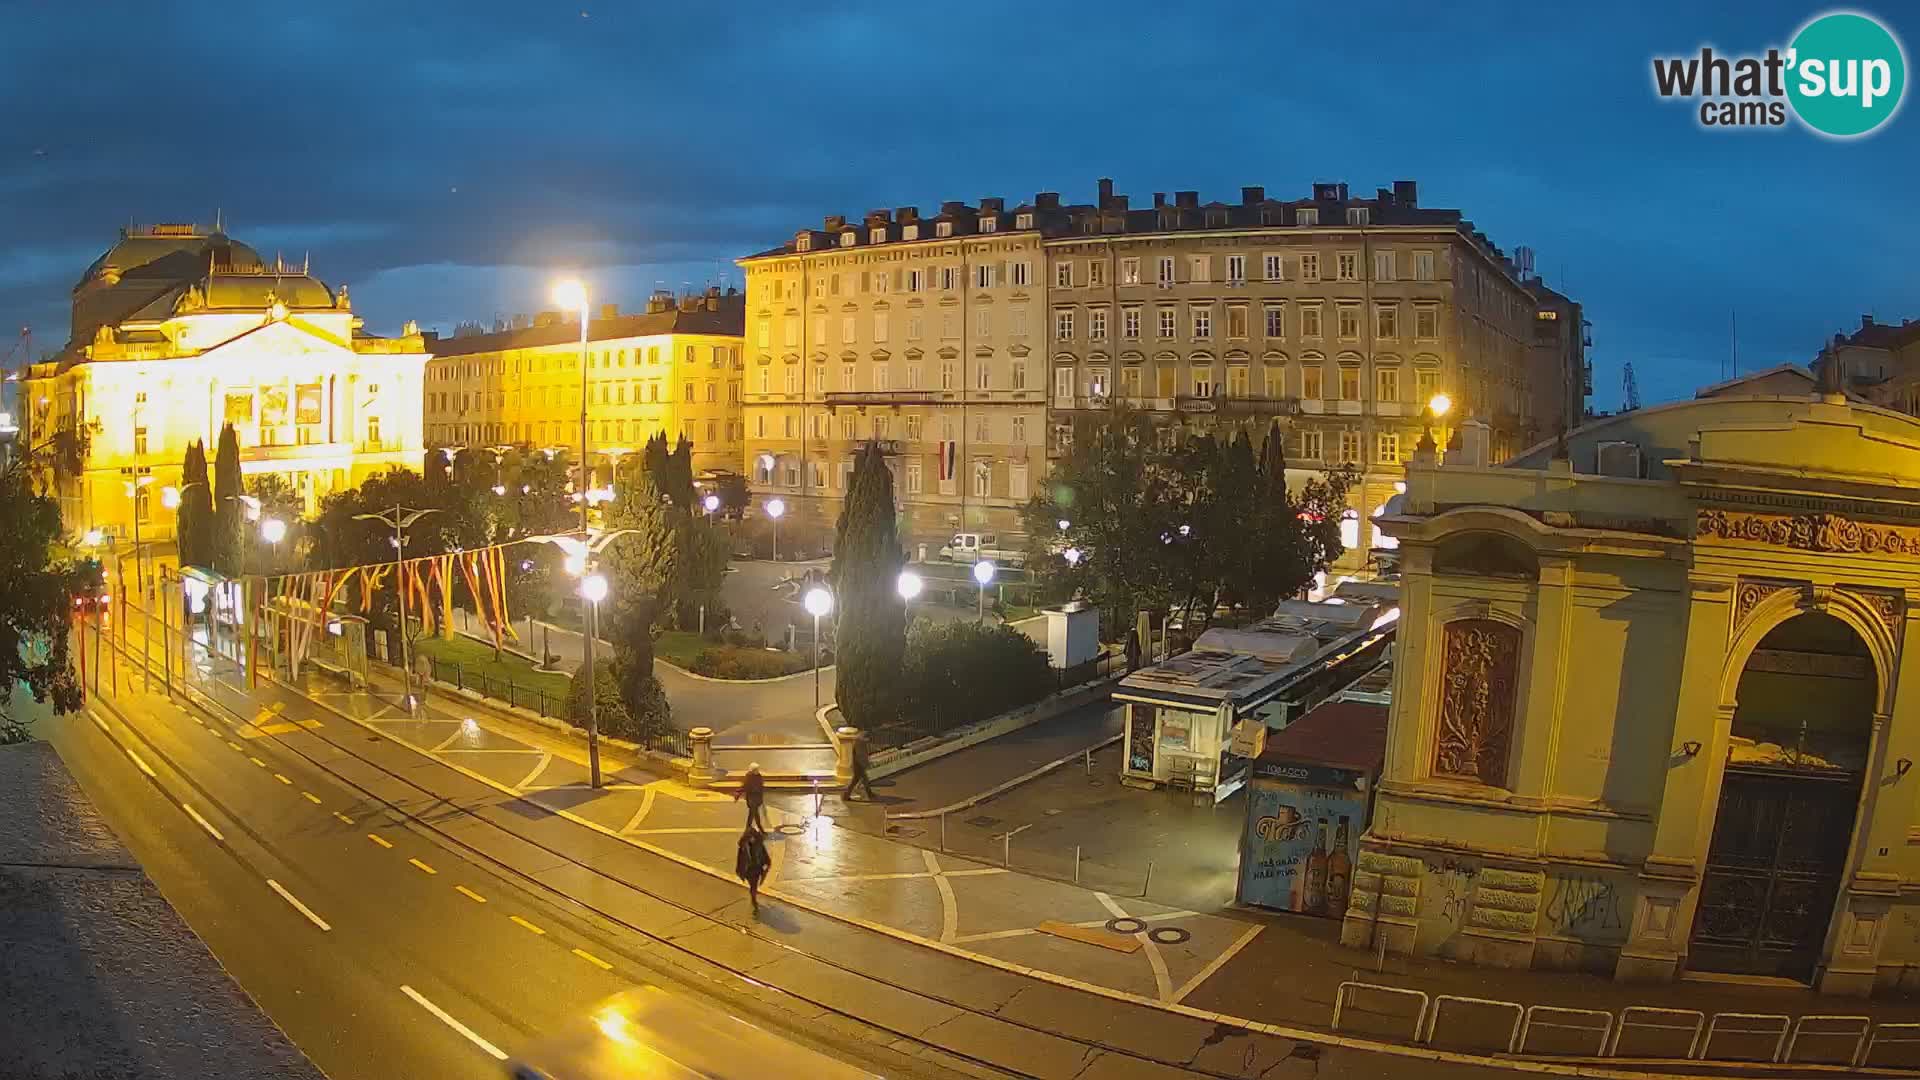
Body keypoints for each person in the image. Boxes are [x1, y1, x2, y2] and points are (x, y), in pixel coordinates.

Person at [735, 825, 771, 912]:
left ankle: (753, 896)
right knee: (753, 885)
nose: (751, 838)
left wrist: (767, 863)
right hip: (748, 869)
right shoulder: (743, 846)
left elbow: (764, 855)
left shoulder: (759, 844)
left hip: (757, 867)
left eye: (752, 836)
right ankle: (753, 897)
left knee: (754, 885)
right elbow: (740, 859)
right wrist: (739, 869)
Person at [734, 762, 767, 830]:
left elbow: (761, 787)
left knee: (754, 813)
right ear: (752, 770)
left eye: (757, 769)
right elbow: (745, 786)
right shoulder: (749, 777)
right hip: (752, 798)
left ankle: (751, 828)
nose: (757, 771)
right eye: (756, 769)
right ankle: (757, 827)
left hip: (757, 798)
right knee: (753, 814)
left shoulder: (759, 776)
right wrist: (738, 793)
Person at [844, 733, 875, 802]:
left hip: (858, 764)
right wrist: (865, 764)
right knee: (856, 780)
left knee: (864, 779)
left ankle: (869, 793)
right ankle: (846, 795)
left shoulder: (859, 742)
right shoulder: (860, 743)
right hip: (858, 765)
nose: (868, 741)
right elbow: (861, 755)